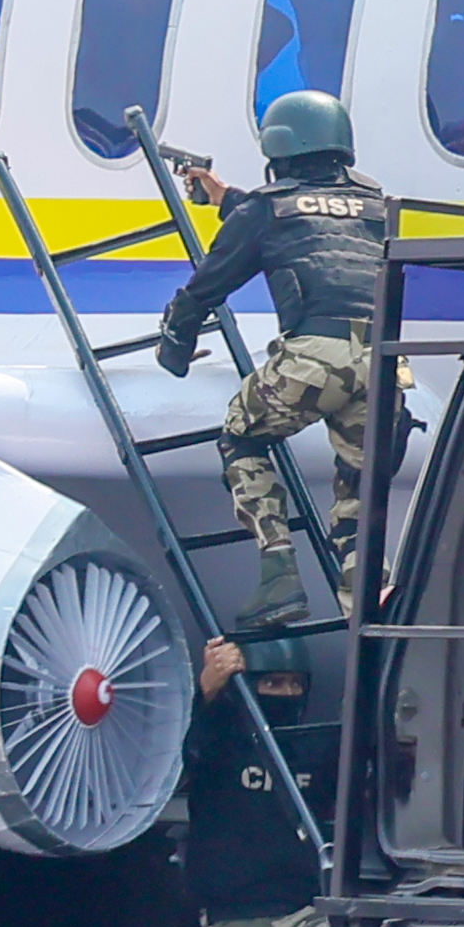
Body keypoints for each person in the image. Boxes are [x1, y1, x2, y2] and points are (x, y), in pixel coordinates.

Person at [160, 90, 402, 638]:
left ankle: (278, 572)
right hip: (384, 363)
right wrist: (227, 198)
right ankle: (374, 620)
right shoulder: (376, 205)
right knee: (358, 496)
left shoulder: (266, 208)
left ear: (279, 148)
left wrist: (174, 347)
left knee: (241, 435)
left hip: (316, 358)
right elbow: (314, 226)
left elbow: (208, 286)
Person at [157, 634, 391, 927]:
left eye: (292, 684)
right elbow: (166, 761)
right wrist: (208, 687)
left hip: (305, 918)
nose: (283, 694)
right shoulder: (215, 742)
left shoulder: (317, 747)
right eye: (270, 683)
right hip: (234, 926)